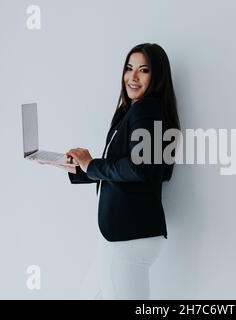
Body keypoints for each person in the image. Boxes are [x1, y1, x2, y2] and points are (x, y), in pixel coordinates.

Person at [52, 43, 180, 299]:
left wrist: (92, 164)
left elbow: (140, 167)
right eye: (129, 68)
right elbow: (132, 168)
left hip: (126, 237)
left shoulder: (147, 110)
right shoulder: (134, 111)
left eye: (143, 70)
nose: (132, 77)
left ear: (157, 77)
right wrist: (77, 168)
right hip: (125, 235)